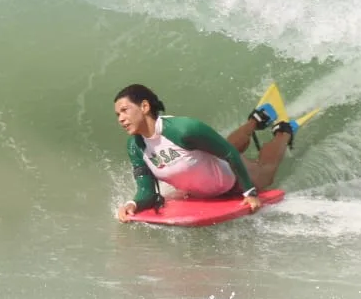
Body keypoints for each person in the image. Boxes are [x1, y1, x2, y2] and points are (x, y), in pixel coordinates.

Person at [113, 83, 296, 221]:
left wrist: (249, 192)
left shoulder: (184, 130)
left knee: (266, 171)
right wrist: (132, 205)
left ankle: (283, 131)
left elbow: (229, 152)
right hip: (204, 178)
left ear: (144, 107)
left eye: (124, 110)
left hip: (231, 180)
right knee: (205, 154)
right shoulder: (135, 146)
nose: (120, 119)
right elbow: (147, 191)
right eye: (117, 115)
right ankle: (255, 120)